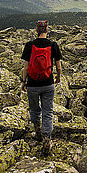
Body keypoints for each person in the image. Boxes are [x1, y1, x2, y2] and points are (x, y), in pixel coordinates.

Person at [21, 20, 62, 155]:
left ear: (36, 30)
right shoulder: (53, 45)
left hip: (32, 85)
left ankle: (38, 133)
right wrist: (58, 77)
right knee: (48, 111)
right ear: (46, 30)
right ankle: (47, 139)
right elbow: (59, 66)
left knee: (34, 109)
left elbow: (26, 67)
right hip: (48, 84)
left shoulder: (29, 45)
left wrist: (24, 81)